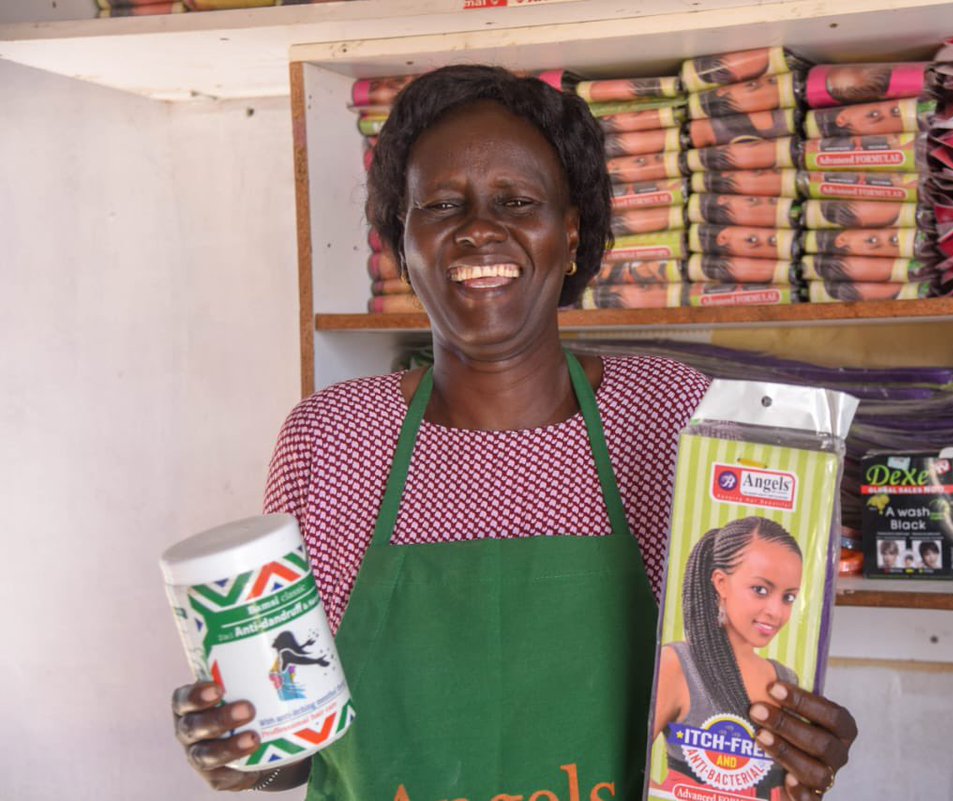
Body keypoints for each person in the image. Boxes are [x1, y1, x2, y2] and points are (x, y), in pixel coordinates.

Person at [169, 65, 855, 799]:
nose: (479, 229)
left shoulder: (675, 417)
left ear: (571, 232)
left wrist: (796, 740)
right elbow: (294, 749)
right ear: (402, 241)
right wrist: (242, 746)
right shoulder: (333, 438)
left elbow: (732, 707)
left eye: (517, 201)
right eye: (439, 204)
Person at [652, 518, 816, 796]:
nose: (775, 612)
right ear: (721, 583)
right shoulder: (679, 664)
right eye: (760, 590)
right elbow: (623, 769)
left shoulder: (785, 678)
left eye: (788, 598)